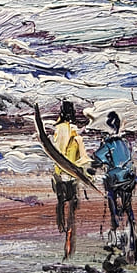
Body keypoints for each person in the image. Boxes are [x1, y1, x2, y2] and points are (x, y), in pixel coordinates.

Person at [51, 101, 92, 259]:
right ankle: (68, 237)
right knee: (71, 210)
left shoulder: (60, 130)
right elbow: (83, 159)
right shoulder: (76, 136)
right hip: (71, 177)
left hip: (61, 175)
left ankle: (63, 230)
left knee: (62, 203)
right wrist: (85, 174)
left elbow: (55, 152)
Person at [92, 111, 137, 243]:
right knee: (128, 204)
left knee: (111, 196)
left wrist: (98, 164)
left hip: (116, 179)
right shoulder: (125, 142)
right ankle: (131, 224)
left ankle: (115, 224)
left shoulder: (109, 143)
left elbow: (97, 157)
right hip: (129, 178)